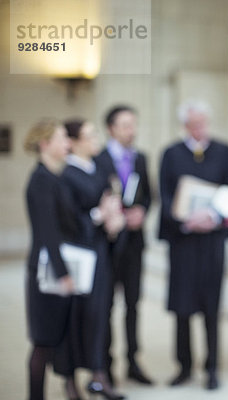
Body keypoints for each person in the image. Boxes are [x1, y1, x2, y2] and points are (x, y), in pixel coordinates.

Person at [158, 100, 228, 389]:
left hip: (212, 242)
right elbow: (165, 195)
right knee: (182, 307)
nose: (200, 127)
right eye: (195, 123)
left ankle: (212, 367)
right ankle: (184, 366)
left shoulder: (225, 152)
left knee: (211, 306)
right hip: (183, 242)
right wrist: (184, 219)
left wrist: (214, 217)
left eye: (204, 122)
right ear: (186, 125)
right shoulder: (171, 154)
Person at [58, 119, 126, 400]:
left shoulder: (98, 167)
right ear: (73, 142)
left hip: (99, 251)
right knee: (73, 316)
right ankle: (70, 379)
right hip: (75, 253)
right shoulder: (65, 174)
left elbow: (110, 197)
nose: (95, 139)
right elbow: (68, 217)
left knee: (99, 314)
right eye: (89, 135)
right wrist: (99, 214)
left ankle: (99, 375)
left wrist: (113, 217)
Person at [95, 105, 153, 385]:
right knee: (105, 306)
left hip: (134, 244)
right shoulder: (99, 159)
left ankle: (133, 361)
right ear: (111, 129)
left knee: (133, 305)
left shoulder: (141, 158)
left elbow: (148, 196)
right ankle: (105, 365)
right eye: (126, 125)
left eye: (134, 125)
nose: (132, 131)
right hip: (107, 246)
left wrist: (141, 211)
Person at [23, 119, 78, 400]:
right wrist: (64, 274)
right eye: (61, 138)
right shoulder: (41, 181)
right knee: (43, 342)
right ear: (45, 144)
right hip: (46, 272)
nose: (68, 144)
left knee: (60, 336)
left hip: (55, 268)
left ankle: (70, 389)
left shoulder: (55, 177)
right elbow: (48, 232)